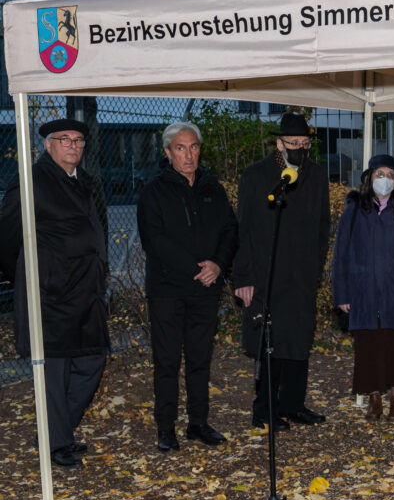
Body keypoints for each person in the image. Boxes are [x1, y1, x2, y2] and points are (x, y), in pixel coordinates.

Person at [0, 118, 109, 468]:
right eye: (64, 140)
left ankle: (53, 431)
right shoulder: (32, 182)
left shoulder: (86, 182)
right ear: (48, 145)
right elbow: (8, 237)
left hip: (86, 292)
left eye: (78, 140)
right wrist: (29, 278)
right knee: (55, 369)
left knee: (93, 361)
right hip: (51, 292)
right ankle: (57, 442)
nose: (73, 146)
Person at [137, 122, 238, 452]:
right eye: (180, 148)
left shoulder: (213, 188)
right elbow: (155, 240)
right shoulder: (154, 191)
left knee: (200, 360)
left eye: (193, 147)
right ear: (168, 153)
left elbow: (229, 231)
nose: (188, 154)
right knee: (167, 362)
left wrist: (218, 264)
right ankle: (166, 428)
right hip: (167, 290)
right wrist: (198, 268)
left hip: (206, 290)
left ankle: (198, 423)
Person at [233, 113, 331, 431]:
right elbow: (243, 229)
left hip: (301, 274)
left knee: (299, 340)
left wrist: (315, 268)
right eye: (293, 144)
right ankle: (265, 409)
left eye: (304, 144)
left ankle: (293, 404)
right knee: (271, 341)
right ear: (279, 143)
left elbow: (322, 227)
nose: (300, 149)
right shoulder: (256, 176)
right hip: (266, 272)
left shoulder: (316, 175)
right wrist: (244, 277)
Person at [331, 154, 394, 422]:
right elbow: (341, 254)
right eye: (380, 174)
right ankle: (375, 398)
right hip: (363, 291)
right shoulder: (353, 212)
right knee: (369, 347)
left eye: (390, 175)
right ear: (369, 178)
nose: (385, 180)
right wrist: (341, 293)